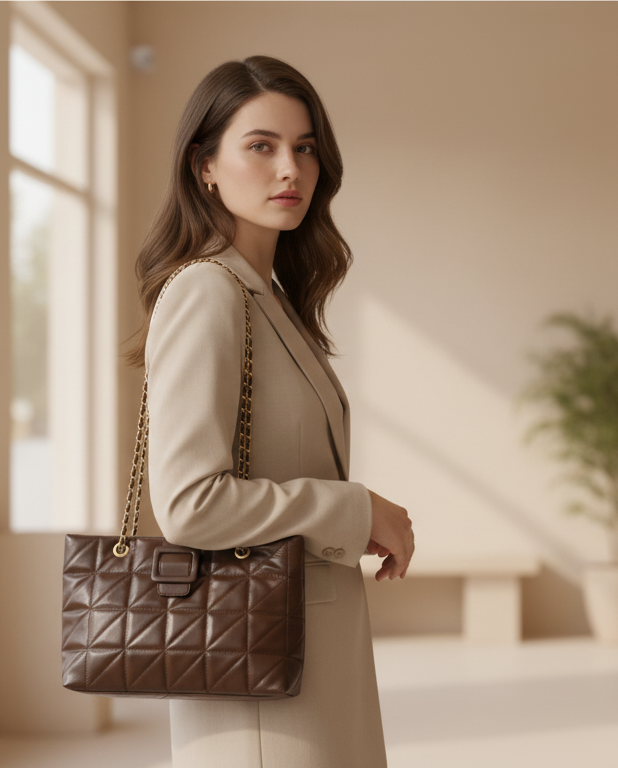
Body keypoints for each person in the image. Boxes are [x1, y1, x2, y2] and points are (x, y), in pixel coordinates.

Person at [124, 55, 414, 768]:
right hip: (260, 673)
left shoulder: (269, 296)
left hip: (302, 657)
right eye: (262, 146)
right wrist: (356, 510)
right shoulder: (207, 291)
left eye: (305, 147)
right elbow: (191, 505)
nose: (291, 169)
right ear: (206, 168)